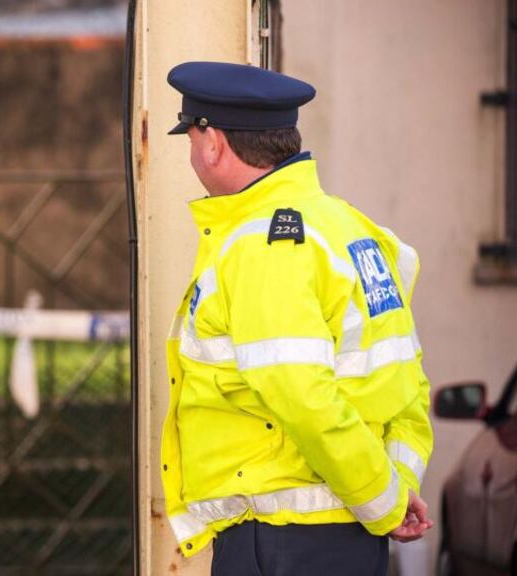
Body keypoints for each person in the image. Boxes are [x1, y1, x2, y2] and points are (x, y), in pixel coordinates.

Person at [160, 61, 434, 575]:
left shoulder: (266, 244)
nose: (193, 153)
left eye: (191, 138)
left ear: (213, 141)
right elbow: (406, 379)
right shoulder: (351, 228)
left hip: (282, 543)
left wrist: (383, 502)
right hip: (347, 537)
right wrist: (393, 489)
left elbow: (302, 395)